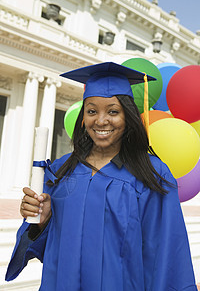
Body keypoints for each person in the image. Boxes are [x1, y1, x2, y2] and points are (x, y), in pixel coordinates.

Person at [6, 62, 197, 291]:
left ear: (128, 116)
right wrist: (42, 222)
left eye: (113, 111)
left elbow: (168, 255)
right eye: (92, 110)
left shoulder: (152, 174)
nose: (101, 120)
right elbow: (51, 250)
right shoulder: (60, 171)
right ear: (83, 116)